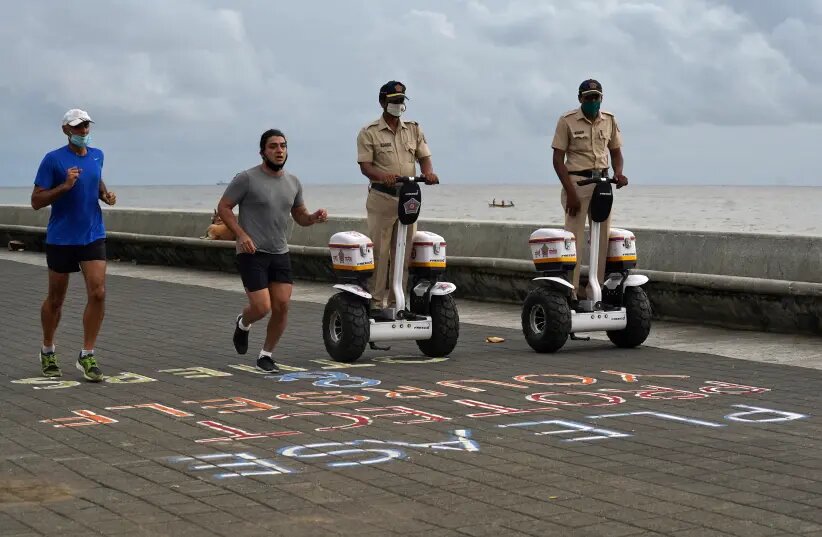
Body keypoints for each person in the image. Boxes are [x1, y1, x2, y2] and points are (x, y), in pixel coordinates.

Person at [217, 129, 328, 372]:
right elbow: (224, 207)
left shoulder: (293, 182)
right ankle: (243, 323)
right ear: (263, 152)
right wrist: (241, 234)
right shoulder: (247, 178)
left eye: (283, 146)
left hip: (279, 252)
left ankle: (265, 355)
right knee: (261, 307)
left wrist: (313, 218)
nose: (279, 150)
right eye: (273, 146)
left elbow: (299, 215)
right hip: (252, 252)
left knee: (282, 306)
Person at [31, 109, 117, 382]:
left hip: (92, 234)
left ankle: (87, 354)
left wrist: (105, 194)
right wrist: (64, 186)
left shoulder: (97, 155)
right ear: (66, 130)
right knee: (56, 299)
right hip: (61, 238)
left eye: (86, 127)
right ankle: (47, 349)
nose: (83, 132)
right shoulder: (53, 160)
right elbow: (36, 201)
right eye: (78, 127)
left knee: (99, 292)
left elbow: (95, 178)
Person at [356, 81, 439, 313]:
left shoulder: (413, 129)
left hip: (408, 198)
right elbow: (365, 166)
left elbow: (424, 156)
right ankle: (375, 303)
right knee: (380, 254)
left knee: (403, 252)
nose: (398, 105)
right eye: (393, 101)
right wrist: (384, 177)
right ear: (382, 102)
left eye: (401, 101)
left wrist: (429, 172)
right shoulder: (369, 132)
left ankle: (396, 303)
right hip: (382, 198)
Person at [551, 79, 628, 300]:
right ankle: (571, 292)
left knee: (602, 239)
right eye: (588, 97)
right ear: (580, 99)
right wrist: (571, 194)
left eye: (597, 97)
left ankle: (596, 290)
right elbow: (557, 160)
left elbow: (616, 153)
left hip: (602, 184)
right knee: (573, 241)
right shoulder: (567, 121)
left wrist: (619, 173)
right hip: (577, 184)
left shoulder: (609, 120)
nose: (593, 101)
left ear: (601, 98)